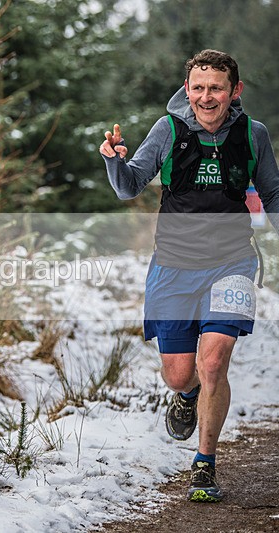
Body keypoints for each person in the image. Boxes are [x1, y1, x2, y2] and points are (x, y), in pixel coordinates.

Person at [100, 49, 279, 502]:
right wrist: (114, 160)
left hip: (233, 262)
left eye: (216, 87)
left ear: (234, 90)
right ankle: (186, 394)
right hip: (174, 267)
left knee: (214, 362)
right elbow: (128, 185)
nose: (205, 96)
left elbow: (273, 193)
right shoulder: (169, 130)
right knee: (181, 374)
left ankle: (205, 463)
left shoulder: (253, 135)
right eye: (197, 88)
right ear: (187, 89)